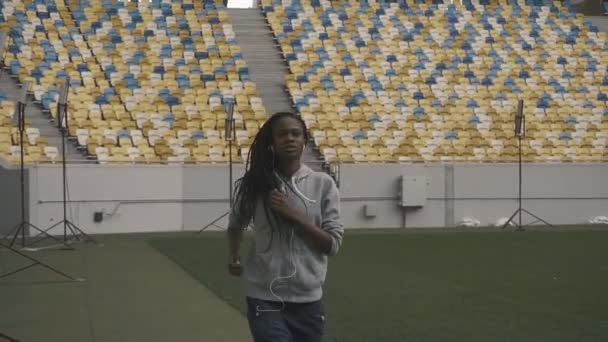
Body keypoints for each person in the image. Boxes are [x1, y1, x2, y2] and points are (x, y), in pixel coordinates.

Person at [226, 112, 344, 342]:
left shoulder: (323, 184)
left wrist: (292, 214)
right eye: (282, 134)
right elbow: (235, 224)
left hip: (308, 300)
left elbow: (332, 245)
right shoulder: (256, 184)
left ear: (304, 141)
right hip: (264, 296)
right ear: (271, 143)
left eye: (295, 133)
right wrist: (234, 256)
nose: (289, 138)